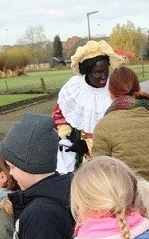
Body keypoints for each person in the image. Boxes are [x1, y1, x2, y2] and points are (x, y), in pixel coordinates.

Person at [91, 66, 149, 231]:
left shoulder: (105, 125)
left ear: (110, 93)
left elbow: (100, 174)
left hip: (131, 205)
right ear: (138, 88)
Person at [53, 40, 124, 171]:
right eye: (97, 73)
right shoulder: (73, 89)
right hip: (80, 161)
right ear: (86, 72)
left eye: (105, 71)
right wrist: (66, 137)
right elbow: (60, 115)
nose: (103, 77)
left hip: (114, 158)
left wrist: (89, 146)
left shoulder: (116, 87)